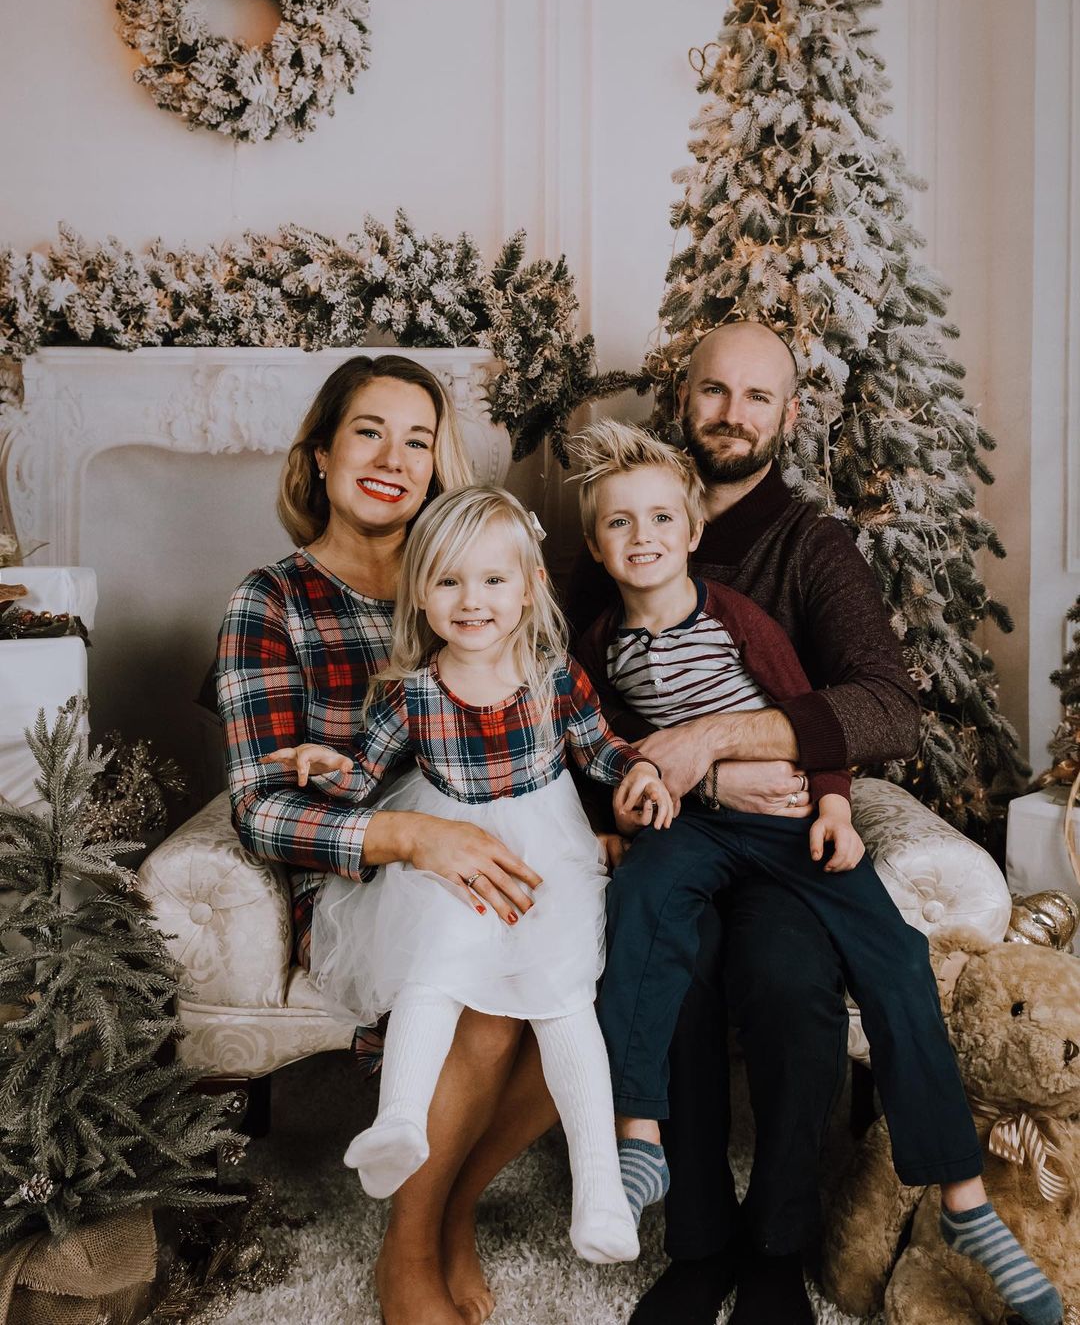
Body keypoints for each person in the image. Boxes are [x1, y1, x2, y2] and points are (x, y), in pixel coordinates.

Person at [572, 417, 1062, 1325]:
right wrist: (619, 809)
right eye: (618, 525)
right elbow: (597, 744)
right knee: (642, 905)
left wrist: (834, 803)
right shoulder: (598, 642)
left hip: (790, 824)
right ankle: (637, 1136)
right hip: (693, 828)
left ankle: (960, 1195)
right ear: (596, 545)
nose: (641, 539)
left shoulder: (737, 617)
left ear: (691, 531)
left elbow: (817, 711)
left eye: (658, 521)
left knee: (896, 958)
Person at [263, 485, 674, 1265]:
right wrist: (324, 767)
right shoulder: (411, 695)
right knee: (435, 968)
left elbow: (602, 752)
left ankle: (600, 1194)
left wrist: (642, 776)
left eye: (492, 580)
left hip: (546, 852)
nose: (471, 600)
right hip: (449, 844)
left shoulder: (555, 679)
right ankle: (401, 1122)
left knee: (563, 1000)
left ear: (528, 590)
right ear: (421, 593)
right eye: (449, 581)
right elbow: (365, 780)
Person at [217, 356, 545, 1325]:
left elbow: (547, 721)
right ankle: (409, 1251)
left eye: (418, 440)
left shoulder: (470, 579)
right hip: (367, 883)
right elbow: (263, 809)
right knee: (487, 1005)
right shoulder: (272, 603)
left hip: (492, 847)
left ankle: (451, 1207)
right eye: (369, 432)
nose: (393, 458)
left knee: (601, 979)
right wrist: (407, 836)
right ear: (320, 456)